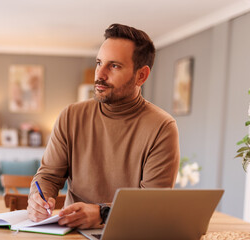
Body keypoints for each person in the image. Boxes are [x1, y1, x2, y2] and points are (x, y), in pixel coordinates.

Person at [27, 23, 180, 229]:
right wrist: (39, 197)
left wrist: (102, 213)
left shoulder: (162, 127)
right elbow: (48, 176)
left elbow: (152, 204)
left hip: (131, 233)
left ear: (141, 75)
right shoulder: (70, 116)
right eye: (99, 63)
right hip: (72, 233)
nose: (100, 74)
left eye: (114, 66)